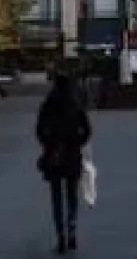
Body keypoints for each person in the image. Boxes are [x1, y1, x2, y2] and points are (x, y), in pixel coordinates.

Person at [36, 72, 92, 253]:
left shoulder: (48, 105)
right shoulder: (75, 106)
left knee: (56, 198)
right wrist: (77, 142)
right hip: (72, 156)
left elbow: (39, 130)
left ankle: (60, 237)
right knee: (72, 195)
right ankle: (72, 230)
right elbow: (87, 131)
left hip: (54, 156)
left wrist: (48, 144)